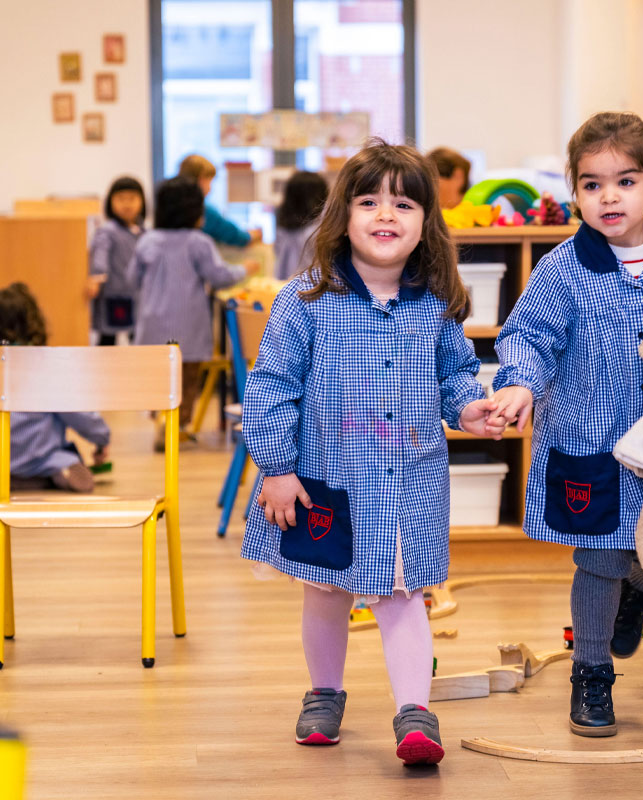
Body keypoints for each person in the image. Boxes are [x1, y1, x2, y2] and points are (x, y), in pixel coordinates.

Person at [240, 139, 502, 765]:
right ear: (343, 217)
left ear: (424, 225)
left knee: (404, 594)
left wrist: (470, 409)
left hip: (408, 481)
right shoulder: (304, 300)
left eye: (404, 204)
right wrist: (276, 469)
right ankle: (324, 693)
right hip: (324, 479)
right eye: (369, 201)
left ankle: (415, 712)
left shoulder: (435, 306)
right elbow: (271, 386)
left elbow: (454, 378)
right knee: (326, 591)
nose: (386, 214)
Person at [487, 112, 643, 737]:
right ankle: (592, 675)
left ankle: (640, 595)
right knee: (600, 557)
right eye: (592, 184)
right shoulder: (560, 269)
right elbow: (529, 337)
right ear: (574, 193)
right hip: (588, 441)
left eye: (624, 182)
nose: (609, 197)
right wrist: (518, 382)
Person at [128, 177, 258, 446]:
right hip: (188, 326)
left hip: (152, 324)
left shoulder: (147, 241)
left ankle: (163, 423)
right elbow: (219, 275)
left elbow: (132, 278)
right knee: (187, 380)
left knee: (160, 380)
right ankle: (177, 427)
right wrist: (245, 269)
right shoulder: (198, 242)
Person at [0, 283, 109, 492]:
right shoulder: (44, 365)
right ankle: (55, 472)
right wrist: (101, 437)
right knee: (62, 456)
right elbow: (77, 412)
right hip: (41, 456)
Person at [87, 176, 146, 345]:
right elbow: (100, 254)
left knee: (137, 336)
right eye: (121, 199)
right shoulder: (108, 231)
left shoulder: (143, 232)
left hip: (135, 294)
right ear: (110, 202)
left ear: (142, 202)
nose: (127, 204)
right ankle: (103, 369)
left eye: (132, 198)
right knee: (108, 336)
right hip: (112, 294)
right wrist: (97, 277)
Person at [177, 154, 263, 248]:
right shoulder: (201, 211)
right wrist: (252, 235)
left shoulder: (171, 207)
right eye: (209, 181)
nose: (210, 187)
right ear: (201, 180)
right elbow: (234, 236)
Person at [274, 170, 329, 280]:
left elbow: (277, 252)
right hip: (315, 286)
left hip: (283, 284)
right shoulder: (321, 226)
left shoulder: (283, 223)